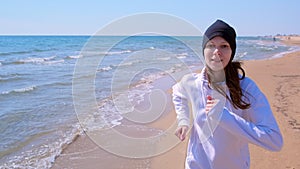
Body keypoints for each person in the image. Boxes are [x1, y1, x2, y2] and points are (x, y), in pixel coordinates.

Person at [172, 19, 283, 169]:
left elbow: (274, 140)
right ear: (203, 50)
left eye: (224, 46)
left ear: (232, 51)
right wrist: (183, 120)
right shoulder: (193, 83)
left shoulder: (246, 87)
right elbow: (177, 93)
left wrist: (224, 117)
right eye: (211, 45)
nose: (217, 51)